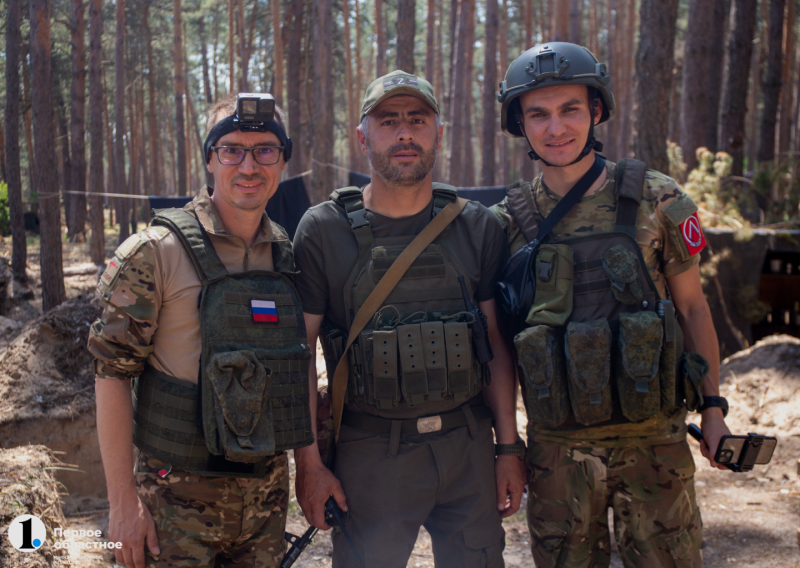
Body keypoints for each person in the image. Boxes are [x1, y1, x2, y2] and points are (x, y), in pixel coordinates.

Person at [491, 42, 732, 568]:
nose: (556, 129)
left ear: (596, 111)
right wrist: (508, 447)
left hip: (654, 445)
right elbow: (501, 346)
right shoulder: (506, 223)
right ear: (521, 125)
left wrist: (713, 409)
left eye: (570, 109)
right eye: (539, 115)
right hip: (557, 450)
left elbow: (693, 310)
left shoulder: (657, 199)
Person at [292, 70, 526, 567]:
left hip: (467, 447)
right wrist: (309, 464)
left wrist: (507, 447)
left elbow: (495, 343)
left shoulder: (477, 226)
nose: (404, 133)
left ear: (438, 133)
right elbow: (299, 355)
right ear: (362, 138)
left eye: (418, 120)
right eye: (387, 121)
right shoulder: (323, 230)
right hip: (372, 452)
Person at [88, 93, 313, 568]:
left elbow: (300, 372)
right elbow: (111, 374)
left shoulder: (289, 259)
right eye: (231, 149)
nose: (248, 165)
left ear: (283, 161)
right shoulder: (155, 253)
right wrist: (122, 505)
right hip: (173, 507)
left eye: (265, 150)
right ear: (210, 159)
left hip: (265, 506)